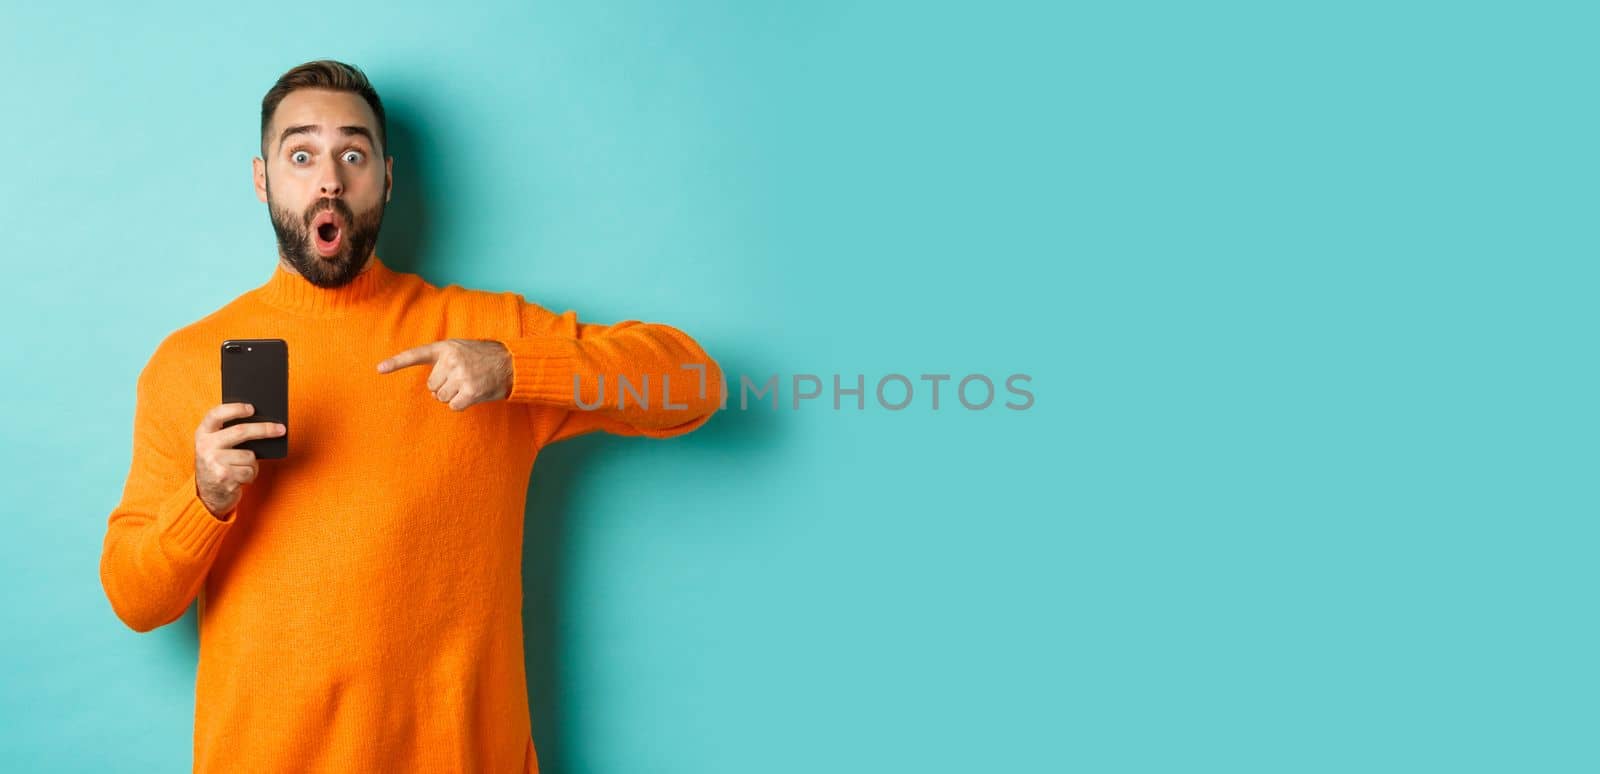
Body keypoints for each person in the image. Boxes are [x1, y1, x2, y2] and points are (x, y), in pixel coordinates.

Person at [98, 59, 723, 773]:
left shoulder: (483, 332)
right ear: (263, 179)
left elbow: (693, 382)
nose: (329, 178)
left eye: (352, 154)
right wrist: (204, 497)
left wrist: (518, 368)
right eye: (301, 155)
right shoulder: (186, 363)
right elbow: (134, 599)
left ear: (386, 179)